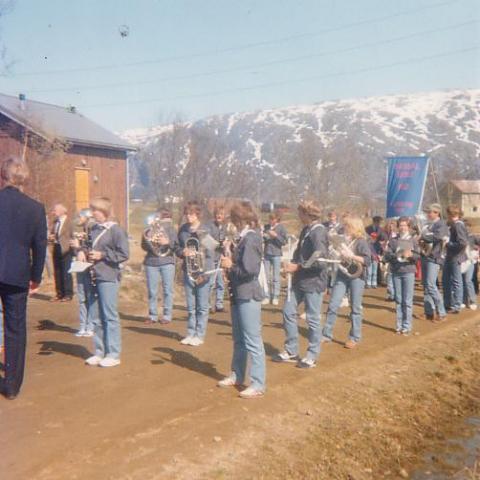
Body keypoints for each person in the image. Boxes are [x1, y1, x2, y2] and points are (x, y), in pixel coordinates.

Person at [0, 158, 47, 399]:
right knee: (15, 328)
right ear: (25, 179)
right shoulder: (35, 208)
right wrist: (36, 277)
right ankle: (11, 385)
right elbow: (40, 247)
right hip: (17, 274)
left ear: (3, 176)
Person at [217, 201, 266, 398]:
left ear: (239, 219)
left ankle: (258, 383)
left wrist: (230, 265)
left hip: (248, 293)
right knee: (239, 339)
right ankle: (237, 374)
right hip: (237, 293)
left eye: (233, 219)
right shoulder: (242, 238)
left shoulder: (252, 238)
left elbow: (250, 270)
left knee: (253, 339)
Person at [275, 200, 329, 368]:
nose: (298, 216)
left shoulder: (318, 232)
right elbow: (299, 253)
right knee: (288, 312)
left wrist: (298, 266)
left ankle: (312, 355)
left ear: (307, 214)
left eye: (300, 212)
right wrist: (289, 265)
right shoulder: (306, 230)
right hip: (299, 279)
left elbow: (320, 259)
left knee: (312, 318)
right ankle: (291, 349)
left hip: (314, 281)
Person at [84, 197, 129, 368]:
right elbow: (88, 246)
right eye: (93, 209)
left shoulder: (116, 230)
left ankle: (113, 353)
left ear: (105, 211)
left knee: (110, 315)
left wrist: (103, 255)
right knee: (95, 315)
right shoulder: (93, 229)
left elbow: (124, 254)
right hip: (93, 274)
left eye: (96, 209)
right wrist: (82, 252)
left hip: (109, 275)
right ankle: (99, 351)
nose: (93, 212)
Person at [322, 216, 371, 349]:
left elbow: (367, 260)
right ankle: (326, 334)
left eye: (348, 226)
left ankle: (354, 337)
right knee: (333, 304)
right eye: (345, 226)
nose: (345, 228)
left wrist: (352, 256)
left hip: (357, 276)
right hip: (342, 274)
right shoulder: (341, 240)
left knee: (355, 308)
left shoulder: (361, 242)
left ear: (355, 228)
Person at [176, 201, 215, 346]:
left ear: (198, 214)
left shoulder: (206, 229)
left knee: (202, 306)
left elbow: (213, 251)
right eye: (186, 213)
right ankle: (190, 333)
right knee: (191, 306)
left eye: (191, 214)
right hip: (188, 270)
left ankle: (200, 334)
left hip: (203, 271)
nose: (188, 216)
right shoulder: (183, 230)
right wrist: (182, 252)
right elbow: (177, 248)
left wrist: (205, 272)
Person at [383, 217, 420, 335]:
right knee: (398, 300)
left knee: (407, 300)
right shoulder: (393, 240)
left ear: (409, 227)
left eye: (405, 225)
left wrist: (410, 255)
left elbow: (418, 256)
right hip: (396, 271)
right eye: (401, 225)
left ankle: (407, 326)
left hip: (408, 272)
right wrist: (396, 254)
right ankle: (399, 325)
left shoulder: (413, 240)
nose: (403, 227)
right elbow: (387, 255)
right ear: (398, 227)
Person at [141, 209, 177, 325]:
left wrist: (167, 242)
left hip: (167, 261)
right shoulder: (148, 230)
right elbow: (143, 246)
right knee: (152, 291)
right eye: (160, 217)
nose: (162, 220)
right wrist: (150, 241)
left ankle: (167, 315)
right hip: (151, 262)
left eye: (164, 217)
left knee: (168, 290)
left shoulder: (171, 230)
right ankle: (152, 315)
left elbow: (176, 246)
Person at [419, 203, 449, 322]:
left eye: (430, 212)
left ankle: (441, 312)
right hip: (425, 256)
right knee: (426, 286)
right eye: (427, 212)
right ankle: (428, 312)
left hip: (434, 257)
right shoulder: (427, 225)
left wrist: (422, 237)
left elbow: (438, 237)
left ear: (437, 212)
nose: (428, 214)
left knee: (431, 285)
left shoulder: (441, 224)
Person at [70, 209, 96, 337]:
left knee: (90, 296)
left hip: (90, 266)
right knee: (81, 296)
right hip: (80, 265)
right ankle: (82, 325)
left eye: (80, 216)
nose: (78, 218)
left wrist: (79, 247)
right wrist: (76, 248)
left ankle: (90, 325)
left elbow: (93, 247)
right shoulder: (80, 230)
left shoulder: (93, 228)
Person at [442, 205, 468, 314]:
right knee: (446, 280)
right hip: (450, 256)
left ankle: (457, 305)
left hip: (455, 256)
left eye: (448, 214)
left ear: (451, 214)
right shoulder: (453, 225)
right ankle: (448, 303)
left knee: (456, 281)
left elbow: (462, 243)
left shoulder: (458, 225)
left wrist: (448, 244)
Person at [49, 203, 74, 302]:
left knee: (66, 272)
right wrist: (51, 237)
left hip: (66, 249)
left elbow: (73, 235)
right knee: (57, 271)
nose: (53, 212)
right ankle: (59, 293)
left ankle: (68, 294)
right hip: (56, 248)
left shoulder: (70, 222)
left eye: (55, 210)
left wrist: (73, 249)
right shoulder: (55, 222)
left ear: (62, 211)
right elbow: (53, 233)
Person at [262, 211, 288, 306]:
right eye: (269, 219)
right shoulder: (266, 227)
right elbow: (263, 238)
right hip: (267, 253)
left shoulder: (281, 228)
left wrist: (276, 236)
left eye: (272, 219)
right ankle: (266, 296)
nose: (270, 221)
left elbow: (284, 241)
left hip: (276, 254)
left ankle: (275, 296)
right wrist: (264, 236)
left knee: (276, 277)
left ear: (277, 219)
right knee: (266, 277)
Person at [209, 206, 227, 313]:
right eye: (217, 214)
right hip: (211, 258)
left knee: (220, 282)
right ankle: (208, 305)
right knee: (211, 282)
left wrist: (224, 246)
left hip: (219, 257)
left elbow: (223, 241)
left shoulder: (223, 228)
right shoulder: (210, 227)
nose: (219, 216)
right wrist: (219, 244)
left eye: (221, 214)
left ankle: (219, 304)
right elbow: (209, 242)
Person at [365, 216, 387, 288]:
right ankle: (368, 282)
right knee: (369, 268)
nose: (379, 224)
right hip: (368, 248)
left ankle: (374, 282)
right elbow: (365, 237)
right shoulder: (367, 229)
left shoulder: (380, 229)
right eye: (379, 222)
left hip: (376, 249)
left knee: (375, 267)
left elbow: (384, 237)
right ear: (375, 221)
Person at [462, 226, 479, 310]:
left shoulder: (472, 237)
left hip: (470, 261)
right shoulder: (457, 237)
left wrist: (477, 254)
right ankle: (464, 300)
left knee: (468, 280)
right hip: (460, 262)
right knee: (461, 281)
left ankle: (473, 301)